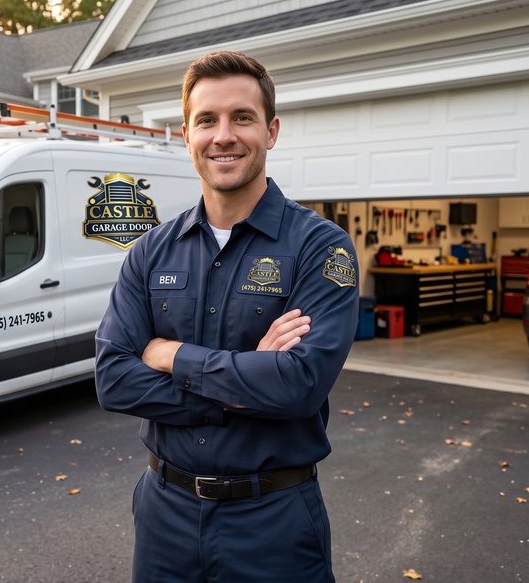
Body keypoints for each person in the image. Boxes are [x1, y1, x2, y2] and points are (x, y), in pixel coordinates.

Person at [95, 50, 359, 582]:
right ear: (186, 133)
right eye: (206, 120)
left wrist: (172, 356)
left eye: (242, 117)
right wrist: (246, 377)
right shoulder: (150, 252)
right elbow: (114, 380)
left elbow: (298, 386)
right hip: (164, 516)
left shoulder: (319, 249)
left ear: (272, 130)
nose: (223, 135)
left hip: (273, 523)